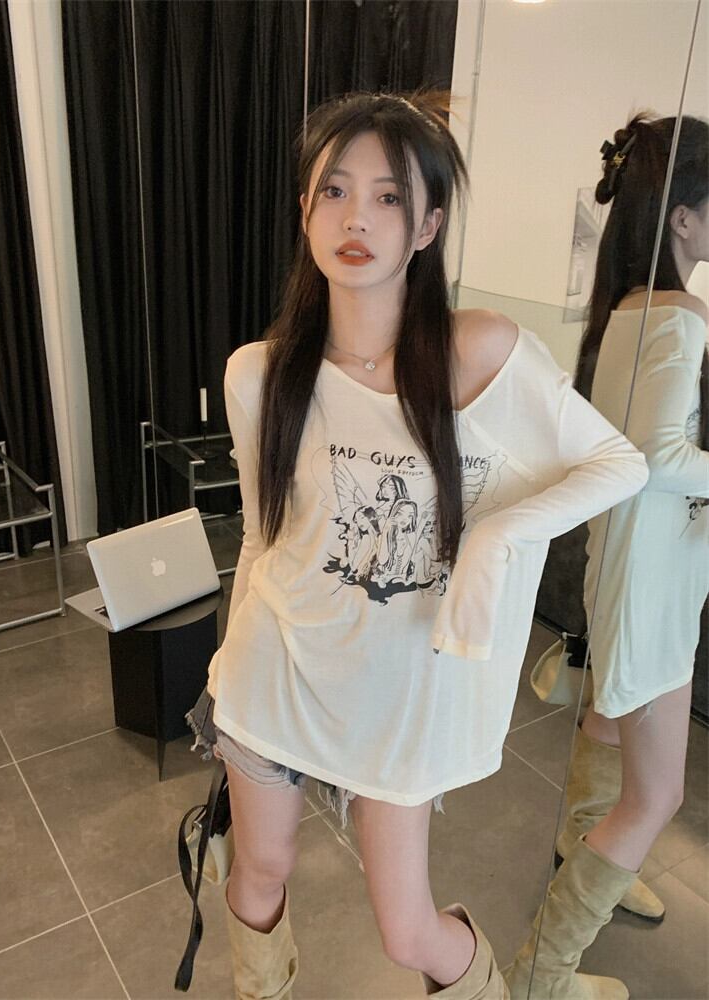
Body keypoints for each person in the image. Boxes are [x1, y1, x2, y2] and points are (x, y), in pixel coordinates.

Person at [186, 90, 648, 1000]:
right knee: (259, 871)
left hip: (396, 695)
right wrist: (227, 664)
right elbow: (263, 540)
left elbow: (618, 462)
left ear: (430, 224)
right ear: (306, 210)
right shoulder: (259, 375)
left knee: (405, 928)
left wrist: (498, 537)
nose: (356, 218)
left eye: (389, 196)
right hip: (274, 670)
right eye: (334, 191)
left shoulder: (480, 354)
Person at [507, 114, 708, 1000]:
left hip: (626, 558)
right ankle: (542, 974)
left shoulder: (625, 307)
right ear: (683, 218)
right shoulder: (682, 314)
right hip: (652, 576)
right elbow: (662, 457)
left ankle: (582, 845)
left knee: (607, 719)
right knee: (657, 796)